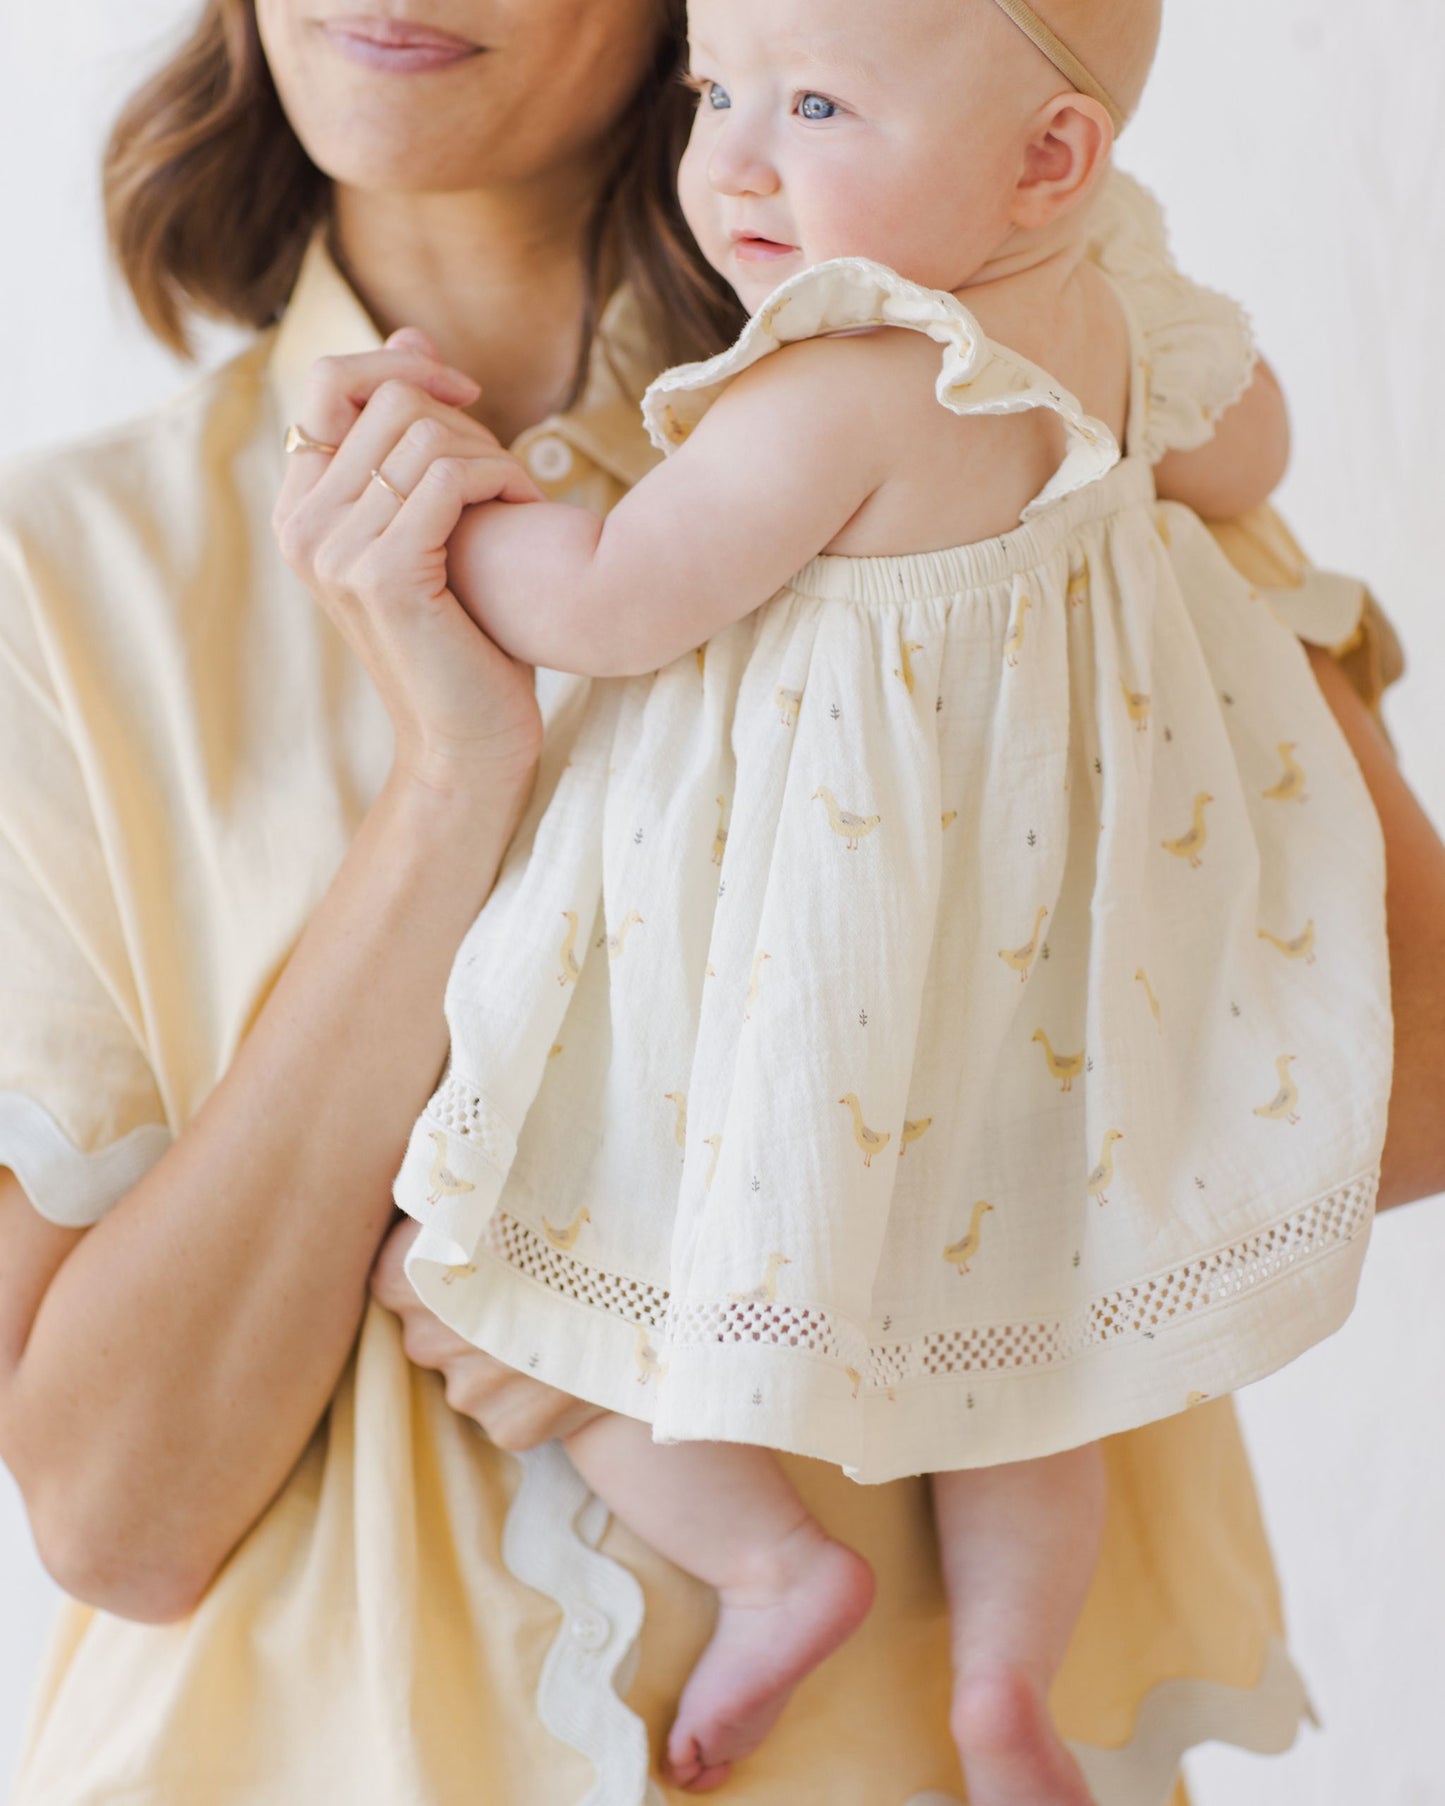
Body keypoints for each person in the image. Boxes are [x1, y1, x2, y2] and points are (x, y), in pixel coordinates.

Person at [0, 0, 1440, 1801]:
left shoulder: (1043, 385)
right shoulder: (54, 580)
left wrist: (648, 1250)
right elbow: (120, 1514)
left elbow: (1404, 1085)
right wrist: (453, 791)